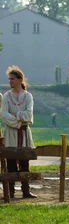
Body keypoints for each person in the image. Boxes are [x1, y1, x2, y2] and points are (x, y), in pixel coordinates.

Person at [1, 66, 36, 199]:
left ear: (20, 79)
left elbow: (29, 114)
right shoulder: (6, 96)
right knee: (11, 161)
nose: (10, 81)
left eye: (12, 79)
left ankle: (26, 191)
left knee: (24, 161)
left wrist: (17, 115)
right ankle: (10, 192)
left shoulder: (28, 96)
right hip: (11, 132)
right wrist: (17, 122)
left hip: (24, 132)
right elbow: (4, 114)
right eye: (9, 79)